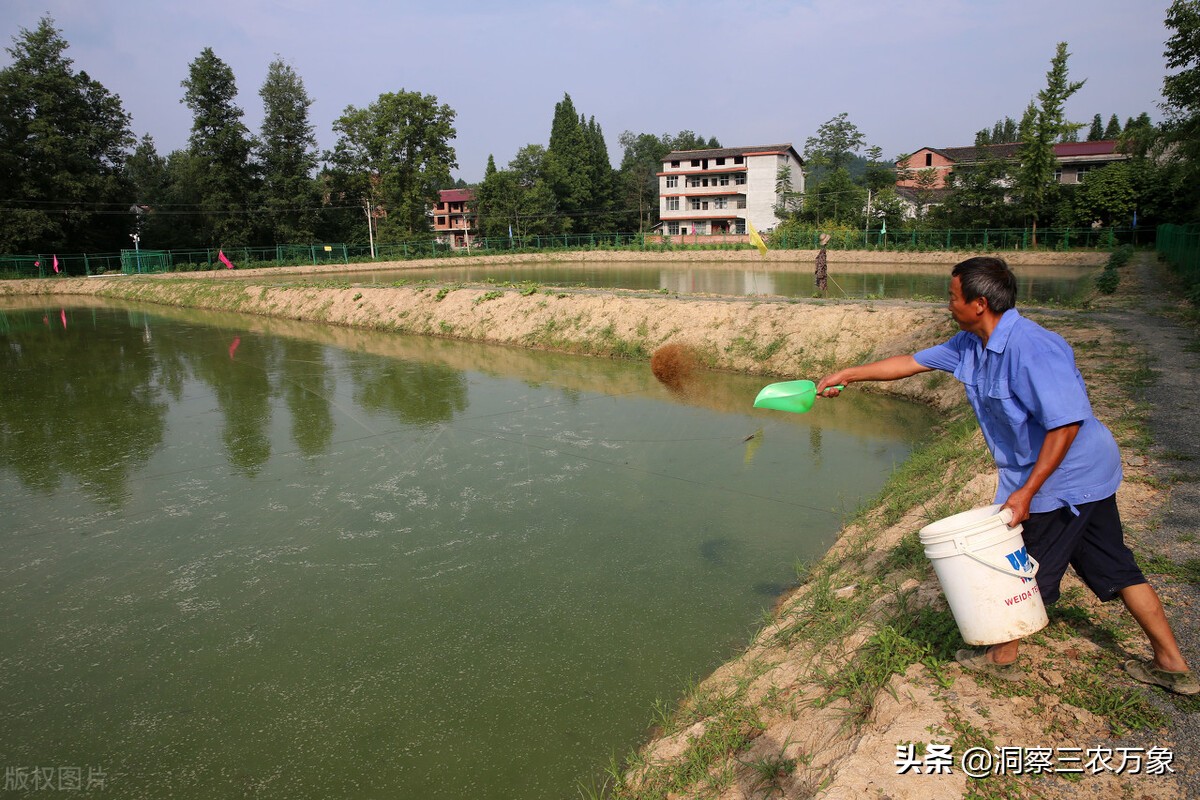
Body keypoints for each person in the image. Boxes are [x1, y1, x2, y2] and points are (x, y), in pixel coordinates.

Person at [815, 256, 1198, 694]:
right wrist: (849, 374)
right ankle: (1172, 664)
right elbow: (911, 362)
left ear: (979, 303)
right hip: (1077, 475)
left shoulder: (1033, 348)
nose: (948, 305)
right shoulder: (970, 343)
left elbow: (1065, 425)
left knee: (1020, 567)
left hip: (1065, 476)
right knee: (1115, 564)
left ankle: (1001, 657)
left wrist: (1027, 492)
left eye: (952, 297)